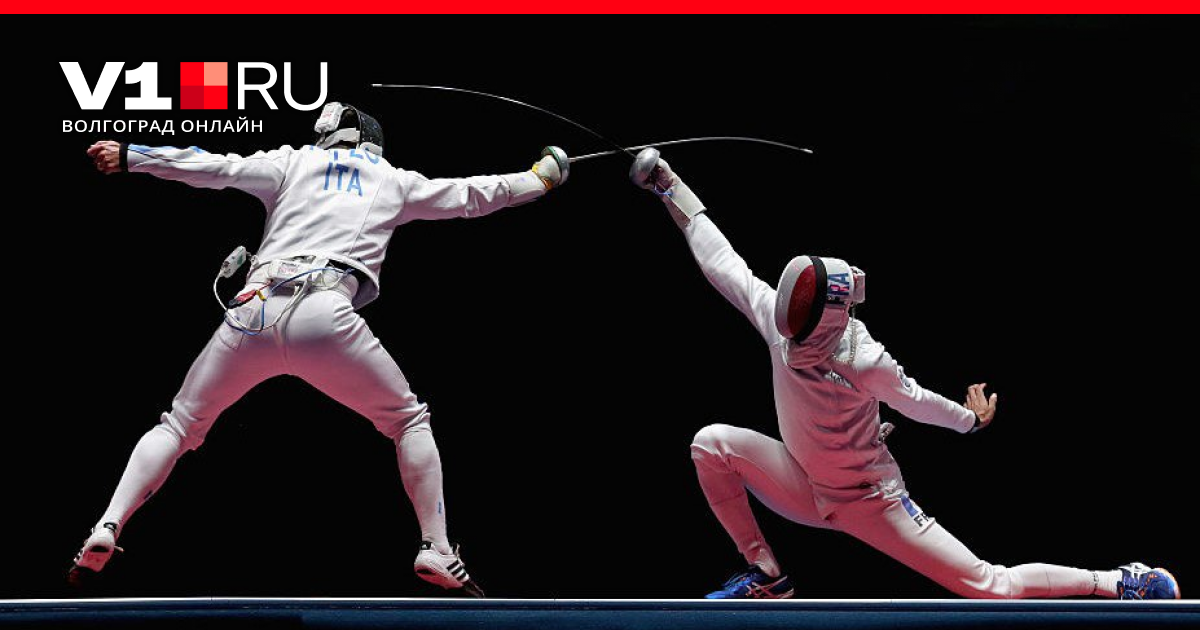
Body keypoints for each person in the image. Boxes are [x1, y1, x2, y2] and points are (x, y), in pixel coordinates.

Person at [71, 102, 569, 597]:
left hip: (253, 310)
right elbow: (475, 195)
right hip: (324, 315)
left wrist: (133, 155)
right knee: (407, 422)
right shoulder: (393, 180)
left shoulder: (292, 161)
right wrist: (541, 178)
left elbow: (215, 167)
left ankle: (108, 525)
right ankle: (435, 547)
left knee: (180, 425)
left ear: (328, 136)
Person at [632, 154, 1180, 601]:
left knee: (990, 587)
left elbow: (724, 262)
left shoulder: (825, 343)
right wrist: (971, 421)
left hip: (870, 502)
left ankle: (1116, 581)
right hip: (805, 482)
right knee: (710, 445)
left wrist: (671, 189)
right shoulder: (831, 345)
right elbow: (917, 401)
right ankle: (767, 575)